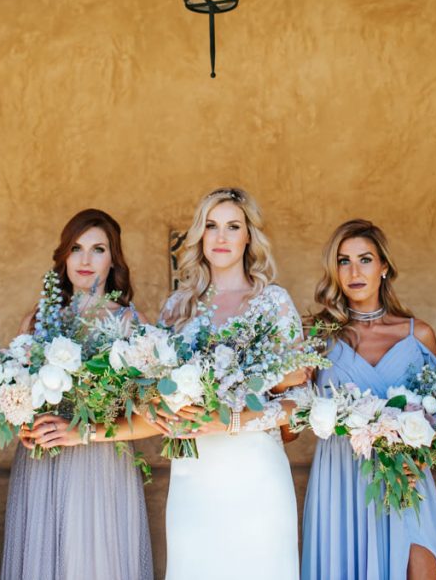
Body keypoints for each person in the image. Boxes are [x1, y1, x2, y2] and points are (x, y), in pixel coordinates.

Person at [160, 187, 306, 580]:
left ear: (248, 236)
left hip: (256, 472)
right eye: (211, 226)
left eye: (233, 226)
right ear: (199, 236)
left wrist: (233, 421)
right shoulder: (177, 307)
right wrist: (163, 410)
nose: (221, 237)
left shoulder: (273, 302)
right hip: (192, 474)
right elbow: (156, 387)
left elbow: (302, 401)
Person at [1, 209, 155, 580]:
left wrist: (83, 432)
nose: (85, 260)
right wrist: (20, 422)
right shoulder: (36, 321)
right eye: (76, 248)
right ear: (64, 257)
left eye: (98, 249)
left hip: (99, 468)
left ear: (113, 260)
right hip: (42, 468)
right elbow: (13, 395)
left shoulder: (130, 324)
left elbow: (155, 420)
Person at [301, 219, 436, 580]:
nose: (354, 272)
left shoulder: (418, 335)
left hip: (406, 480)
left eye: (365, 260)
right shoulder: (318, 338)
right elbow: (291, 426)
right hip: (341, 482)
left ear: (384, 266)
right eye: (344, 261)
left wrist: (418, 455)